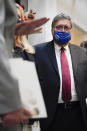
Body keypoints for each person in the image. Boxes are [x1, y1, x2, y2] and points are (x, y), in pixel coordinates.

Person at [0, 0, 49, 128]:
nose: (14, 22)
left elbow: (37, 82)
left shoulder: (30, 51)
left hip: (26, 113)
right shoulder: (5, 49)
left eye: (18, 18)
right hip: (7, 109)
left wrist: (33, 111)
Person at [34, 13, 87, 131]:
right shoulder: (38, 52)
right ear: (52, 30)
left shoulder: (83, 53)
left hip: (79, 113)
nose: (63, 30)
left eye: (66, 27)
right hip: (52, 114)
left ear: (71, 31)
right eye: (58, 27)